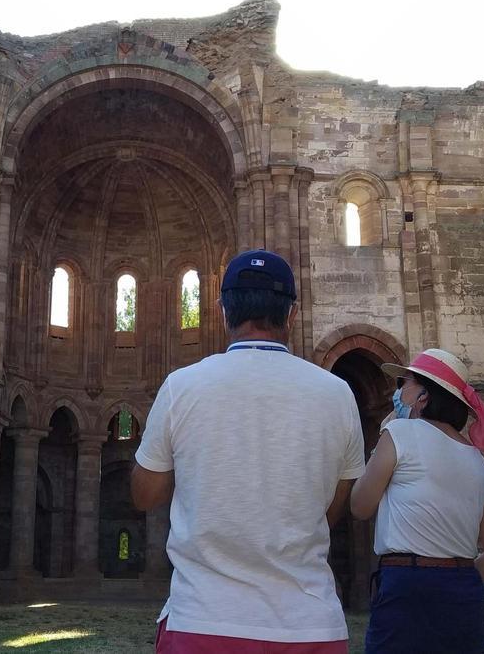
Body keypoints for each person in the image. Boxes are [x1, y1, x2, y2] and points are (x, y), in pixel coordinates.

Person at [133, 249, 366, 654]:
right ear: (291, 314)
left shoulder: (181, 387)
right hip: (309, 626)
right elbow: (331, 508)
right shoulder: (337, 393)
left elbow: (144, 495)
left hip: (203, 620)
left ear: (223, 311)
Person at [350, 349, 484, 654]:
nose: (398, 390)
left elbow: (360, 506)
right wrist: (454, 577)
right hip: (464, 589)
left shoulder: (399, 433)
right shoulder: (478, 462)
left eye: (404, 382)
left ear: (422, 395)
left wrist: (385, 434)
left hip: (406, 583)